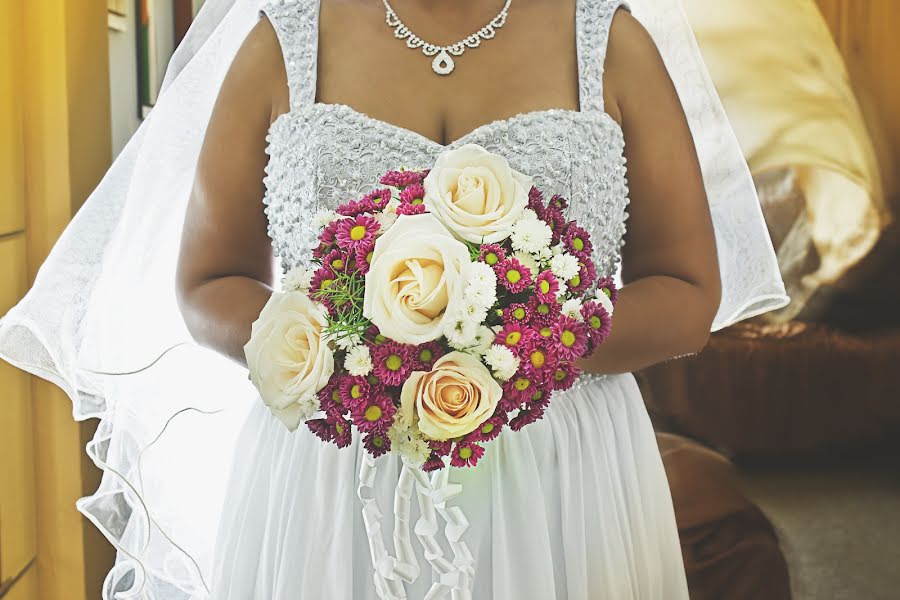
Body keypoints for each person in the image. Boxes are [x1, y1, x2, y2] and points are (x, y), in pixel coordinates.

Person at [0, 0, 788, 598]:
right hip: (335, 467)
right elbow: (208, 280)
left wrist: (518, 341)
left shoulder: (607, 40)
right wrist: (340, 348)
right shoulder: (284, 39)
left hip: (564, 469)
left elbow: (686, 292)